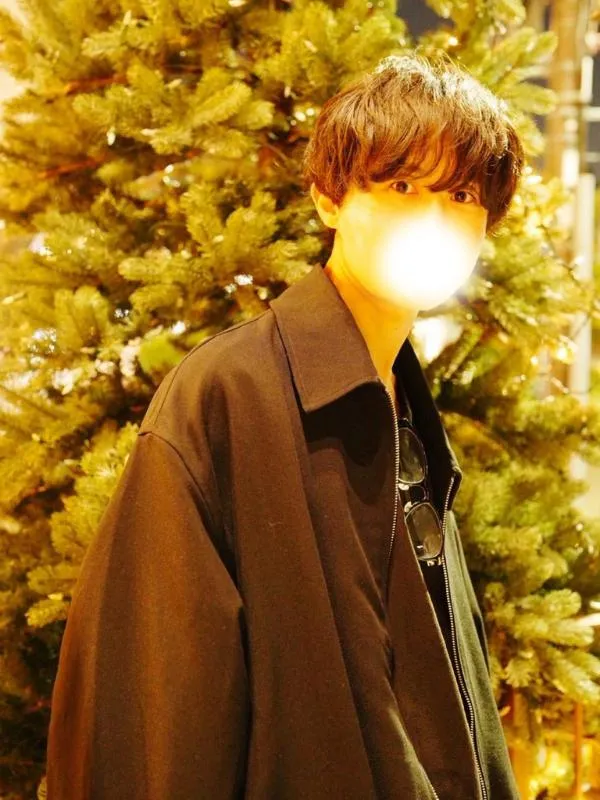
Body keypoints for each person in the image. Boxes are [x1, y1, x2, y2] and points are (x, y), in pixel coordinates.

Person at [46, 52, 524, 799]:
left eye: (460, 193)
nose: (432, 220)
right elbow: (153, 711)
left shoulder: (400, 400)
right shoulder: (229, 394)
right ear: (330, 197)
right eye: (401, 185)